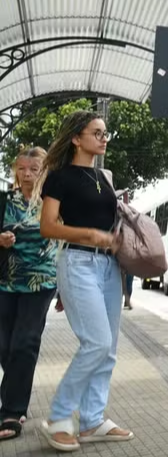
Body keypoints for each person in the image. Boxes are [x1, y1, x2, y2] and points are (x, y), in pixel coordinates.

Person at [36, 111, 133, 452]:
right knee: (96, 342)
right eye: (97, 133)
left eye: (106, 133)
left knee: (108, 349)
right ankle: (59, 417)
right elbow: (47, 226)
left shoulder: (103, 177)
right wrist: (89, 234)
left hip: (109, 268)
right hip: (77, 262)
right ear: (77, 138)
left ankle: (92, 420)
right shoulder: (60, 178)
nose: (104, 138)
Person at [0, 147, 57, 442]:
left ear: (44, 170)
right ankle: (16, 388)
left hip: (41, 281)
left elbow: (65, 241)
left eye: (34, 169)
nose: (27, 175)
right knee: (5, 346)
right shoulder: (4, 201)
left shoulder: (53, 201)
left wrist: (67, 291)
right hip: (6, 282)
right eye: (21, 168)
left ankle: (10, 410)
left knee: (24, 342)